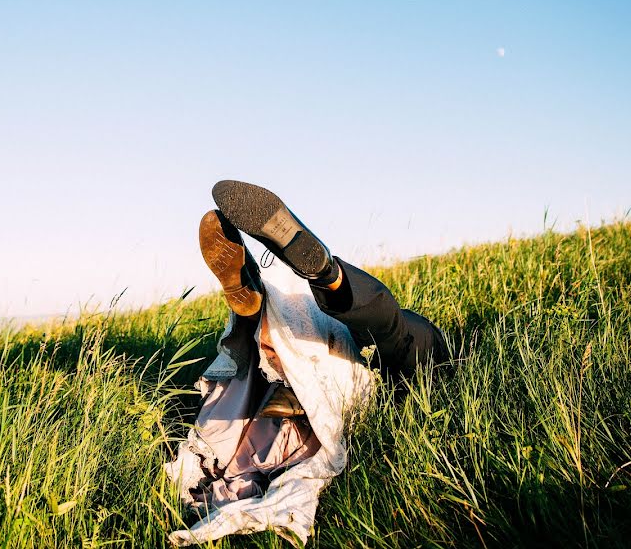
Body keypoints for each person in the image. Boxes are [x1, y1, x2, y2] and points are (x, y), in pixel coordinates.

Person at [164, 180, 450, 546]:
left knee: (380, 334)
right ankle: (312, 284)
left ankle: (301, 287)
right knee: (399, 340)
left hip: (345, 347)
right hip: (398, 366)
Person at [200, 179, 450, 416]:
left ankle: (318, 280)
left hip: (350, 363)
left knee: (388, 334)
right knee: (397, 340)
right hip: (387, 380)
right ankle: (317, 280)